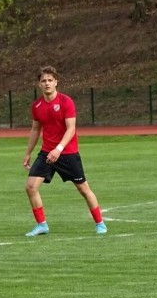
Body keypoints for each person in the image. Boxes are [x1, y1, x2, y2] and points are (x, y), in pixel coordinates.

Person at [22, 66, 107, 236]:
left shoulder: (65, 101)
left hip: (67, 153)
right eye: (43, 81)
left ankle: (100, 223)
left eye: (50, 80)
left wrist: (58, 149)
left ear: (56, 82)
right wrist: (28, 152)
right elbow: (35, 130)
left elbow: (71, 129)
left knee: (83, 189)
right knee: (31, 187)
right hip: (47, 153)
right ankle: (42, 225)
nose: (47, 83)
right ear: (39, 84)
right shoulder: (37, 106)